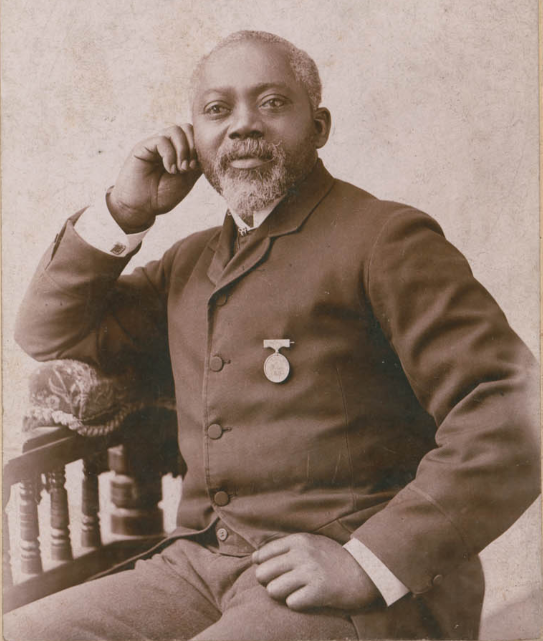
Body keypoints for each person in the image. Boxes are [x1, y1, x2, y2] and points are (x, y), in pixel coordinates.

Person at [6, 30, 540, 641]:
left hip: (356, 580)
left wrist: (367, 562)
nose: (242, 127)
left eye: (272, 103)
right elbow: (47, 331)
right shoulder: (190, 262)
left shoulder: (386, 240)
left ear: (319, 127)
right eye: (216, 111)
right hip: (202, 566)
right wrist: (126, 211)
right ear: (195, 142)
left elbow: (512, 408)